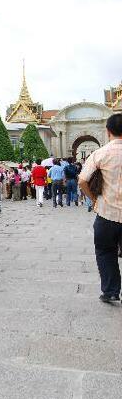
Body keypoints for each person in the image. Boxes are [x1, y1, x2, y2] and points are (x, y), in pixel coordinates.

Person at [79, 113, 122, 303]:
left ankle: (111, 290)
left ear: (107, 131)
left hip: (106, 214)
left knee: (105, 252)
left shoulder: (100, 153)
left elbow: (82, 181)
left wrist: (94, 200)